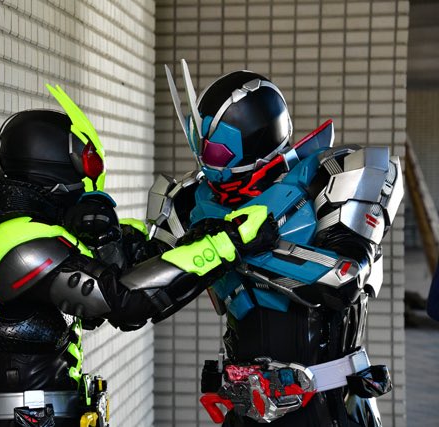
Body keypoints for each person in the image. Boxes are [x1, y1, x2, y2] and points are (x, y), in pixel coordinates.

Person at [0, 84, 279, 427]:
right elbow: (125, 300)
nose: (91, 177)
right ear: (54, 164)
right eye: (86, 164)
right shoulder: (17, 243)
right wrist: (225, 244)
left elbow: (130, 265)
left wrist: (122, 238)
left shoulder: (30, 231)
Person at [149, 60, 404, 427]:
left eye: (217, 152)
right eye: (201, 148)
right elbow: (145, 285)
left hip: (327, 406)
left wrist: (236, 247)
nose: (208, 163)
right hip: (246, 408)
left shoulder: (331, 176)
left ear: (255, 140)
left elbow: (345, 279)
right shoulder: (194, 202)